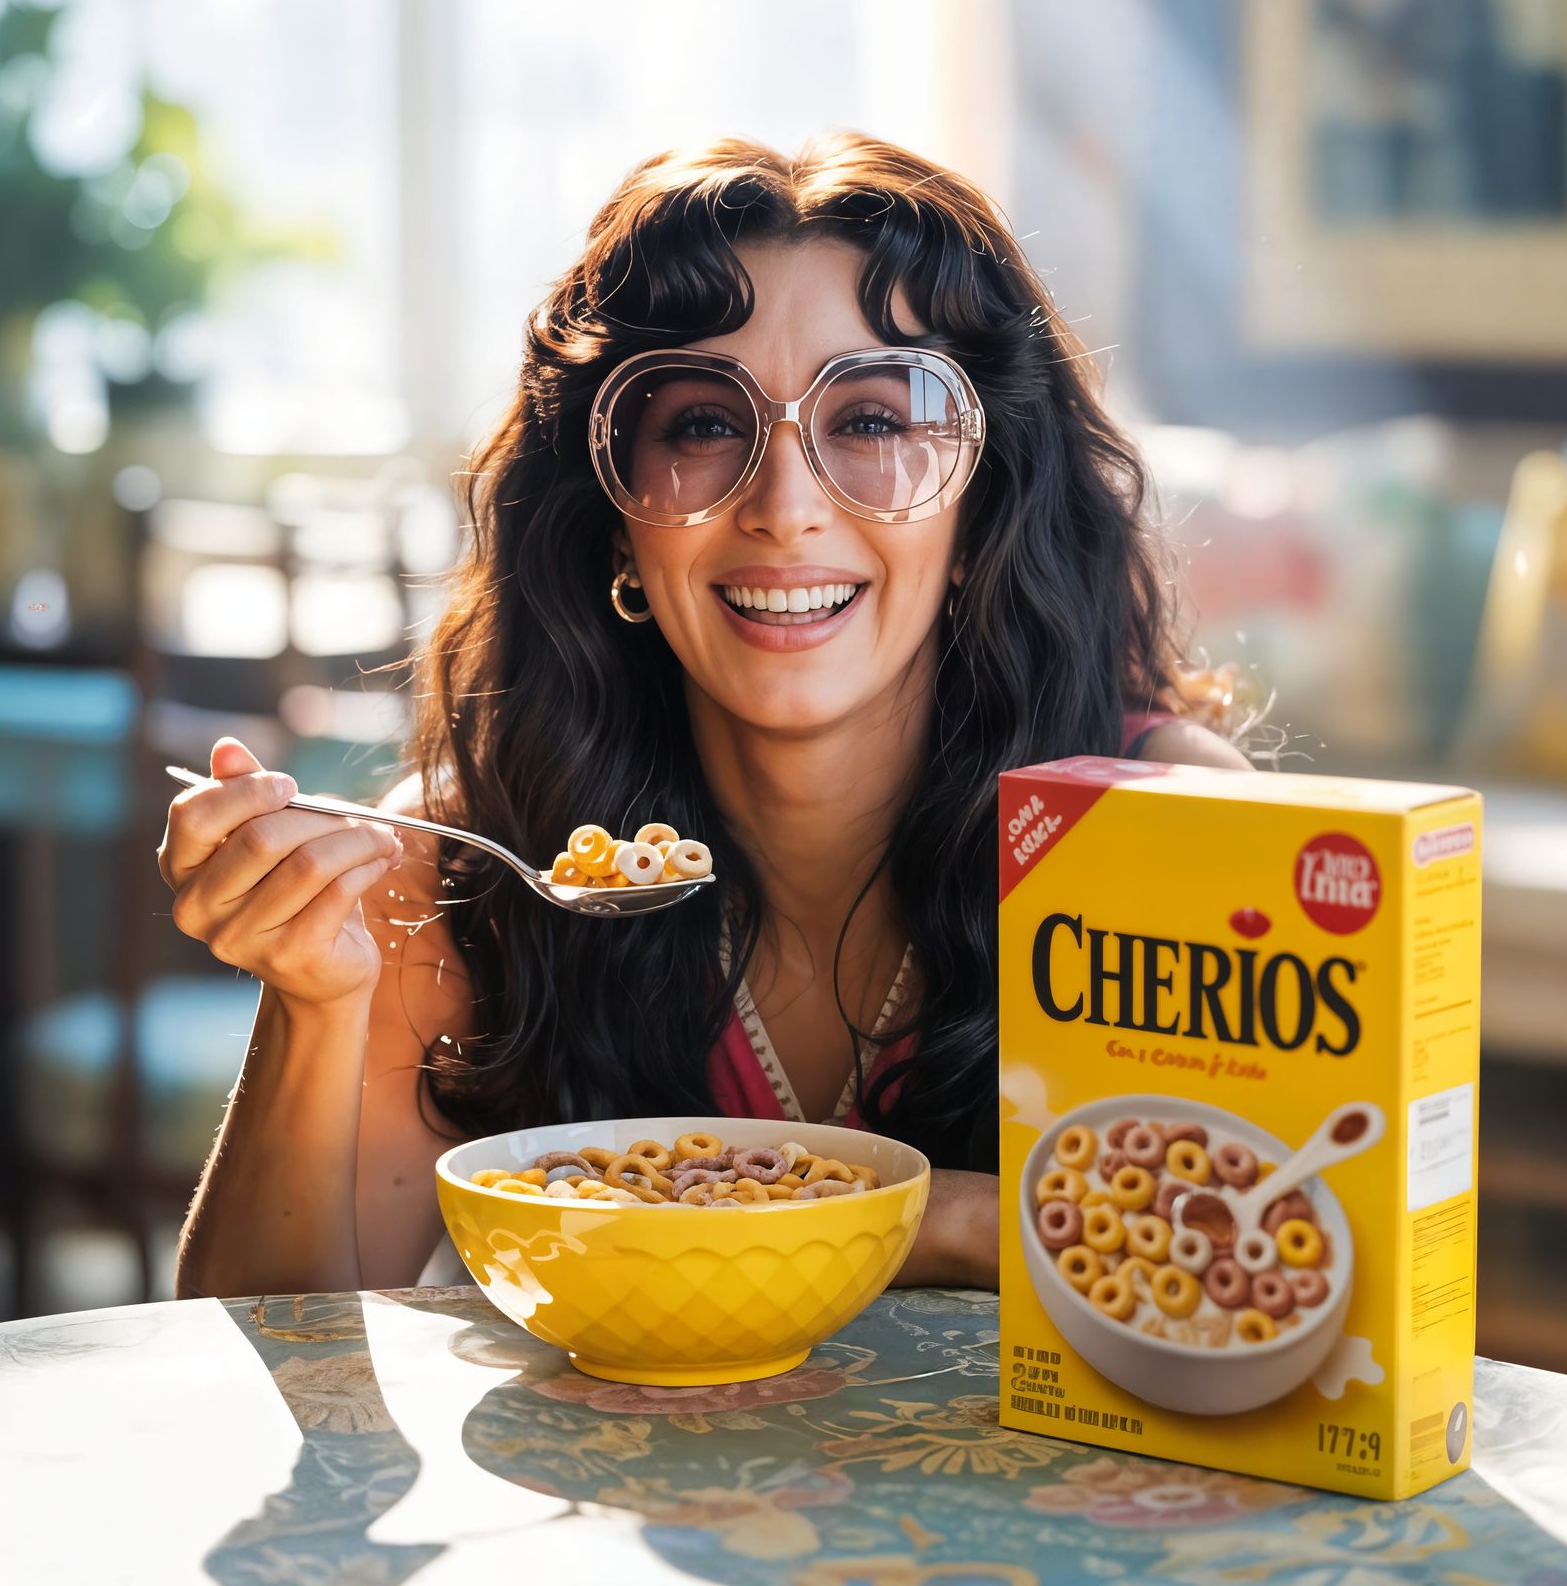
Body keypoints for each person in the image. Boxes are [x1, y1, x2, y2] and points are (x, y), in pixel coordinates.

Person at [161, 131, 1250, 1303]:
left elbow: (1235, 1278)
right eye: (702, 425)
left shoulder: (1169, 829)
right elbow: (260, 1340)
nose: (784, 508)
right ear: (615, 516)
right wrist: (318, 1001)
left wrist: (924, 1218)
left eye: (871, 422)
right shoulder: (459, 867)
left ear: (982, 502)